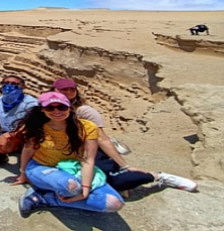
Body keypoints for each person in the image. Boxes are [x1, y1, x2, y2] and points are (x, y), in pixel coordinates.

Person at [52, 78, 197, 193]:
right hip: (62, 152)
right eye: (64, 89)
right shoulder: (46, 107)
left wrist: (125, 166)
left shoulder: (84, 111)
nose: (69, 92)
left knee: (113, 182)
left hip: (89, 151)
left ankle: (157, 176)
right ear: (54, 90)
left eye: (72, 89)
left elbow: (102, 139)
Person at [12, 92, 125, 216]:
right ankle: (43, 195)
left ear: (70, 108)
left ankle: (48, 198)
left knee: (115, 204)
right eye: (50, 107)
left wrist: (85, 189)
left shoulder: (87, 127)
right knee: (72, 186)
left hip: (72, 169)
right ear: (42, 110)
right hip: (41, 168)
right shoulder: (37, 126)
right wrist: (23, 173)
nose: (57, 111)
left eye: (61, 107)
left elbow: (88, 160)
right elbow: (28, 150)